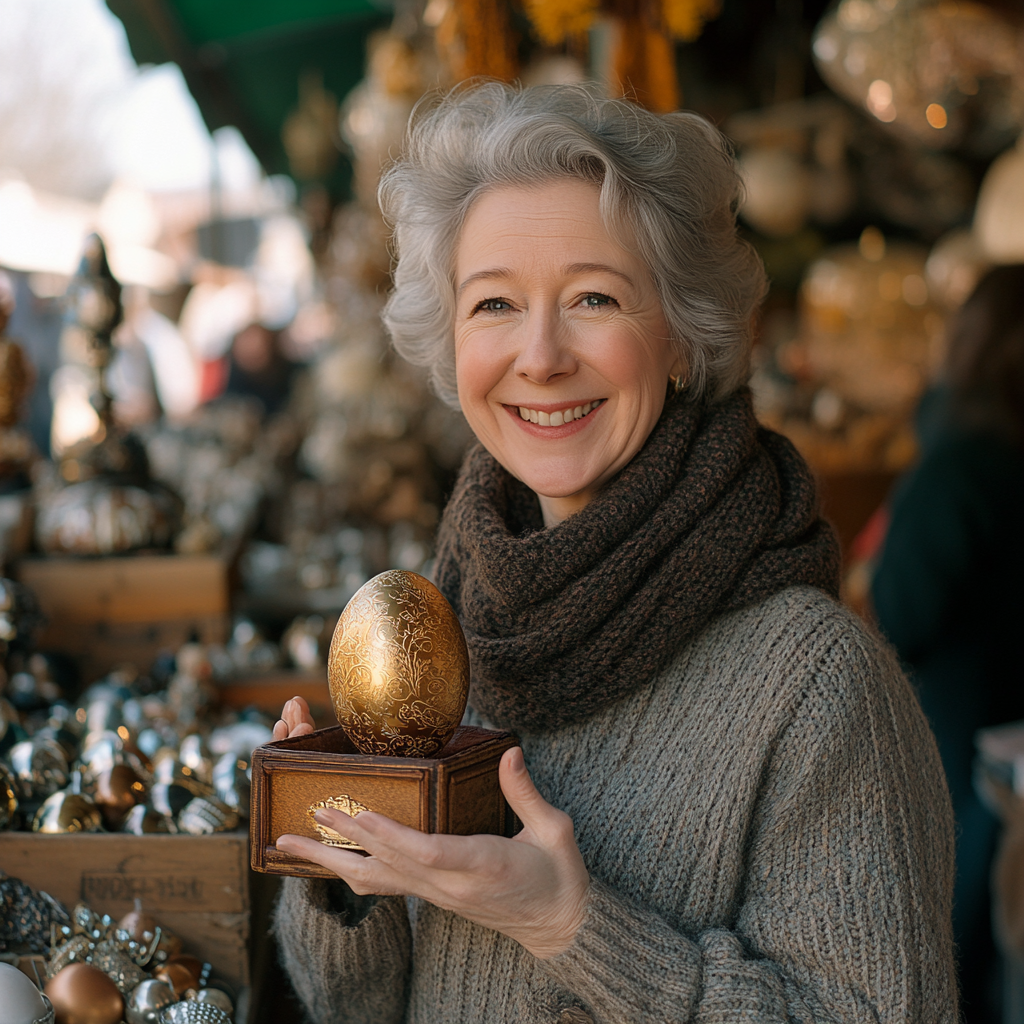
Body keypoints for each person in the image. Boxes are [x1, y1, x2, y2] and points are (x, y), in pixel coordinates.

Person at [271, 83, 957, 1023]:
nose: (541, 355)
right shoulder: (447, 631)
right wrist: (342, 863)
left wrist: (571, 926)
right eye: (495, 305)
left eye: (594, 297)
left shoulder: (815, 686)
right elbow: (357, 1009)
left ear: (679, 333)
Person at [871, 264, 1024, 1024]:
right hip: (1011, 737)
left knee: (956, 960)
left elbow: (902, 612)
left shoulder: (957, 469)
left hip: (964, 747)